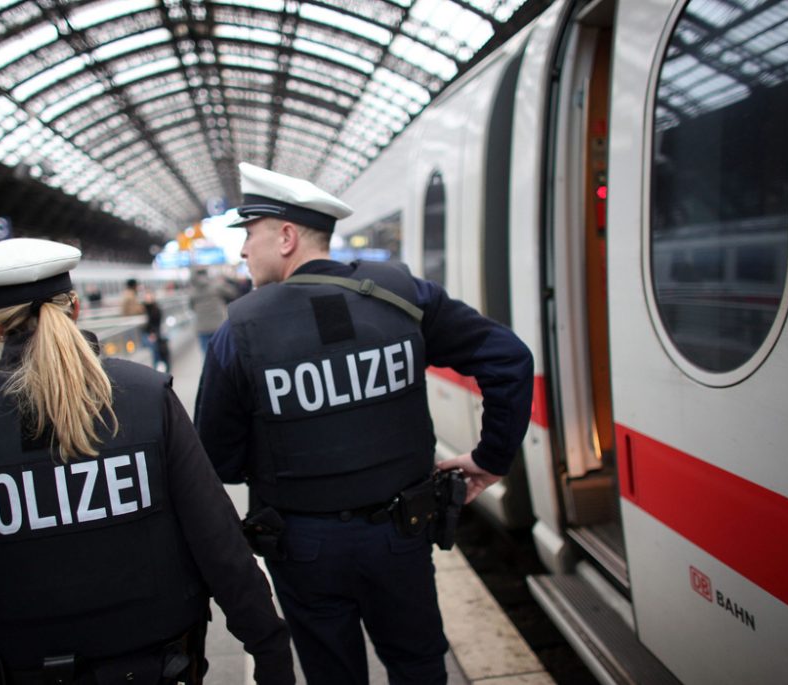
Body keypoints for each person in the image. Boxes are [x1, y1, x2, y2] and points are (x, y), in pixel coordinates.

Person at [194, 163, 534, 685]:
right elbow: (509, 358)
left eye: (249, 234)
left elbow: (218, 457)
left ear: (286, 237)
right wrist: (492, 458)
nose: (242, 251)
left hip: (303, 547)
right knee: (419, 666)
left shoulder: (240, 328)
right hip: (402, 534)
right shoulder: (403, 295)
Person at [0, 237, 294, 685]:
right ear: (75, 308)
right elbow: (217, 540)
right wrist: (269, 649)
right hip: (157, 666)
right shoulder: (146, 396)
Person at [189, 267, 237, 355]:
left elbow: (191, 307)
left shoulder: (192, 292)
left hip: (202, 327)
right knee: (223, 353)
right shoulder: (216, 286)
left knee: (207, 355)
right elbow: (233, 292)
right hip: (218, 325)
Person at [143, 289, 171, 372]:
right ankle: (157, 368)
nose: (148, 298)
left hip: (154, 334)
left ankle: (157, 368)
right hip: (148, 334)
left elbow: (156, 323)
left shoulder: (156, 309)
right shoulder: (143, 308)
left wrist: (153, 333)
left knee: (155, 349)